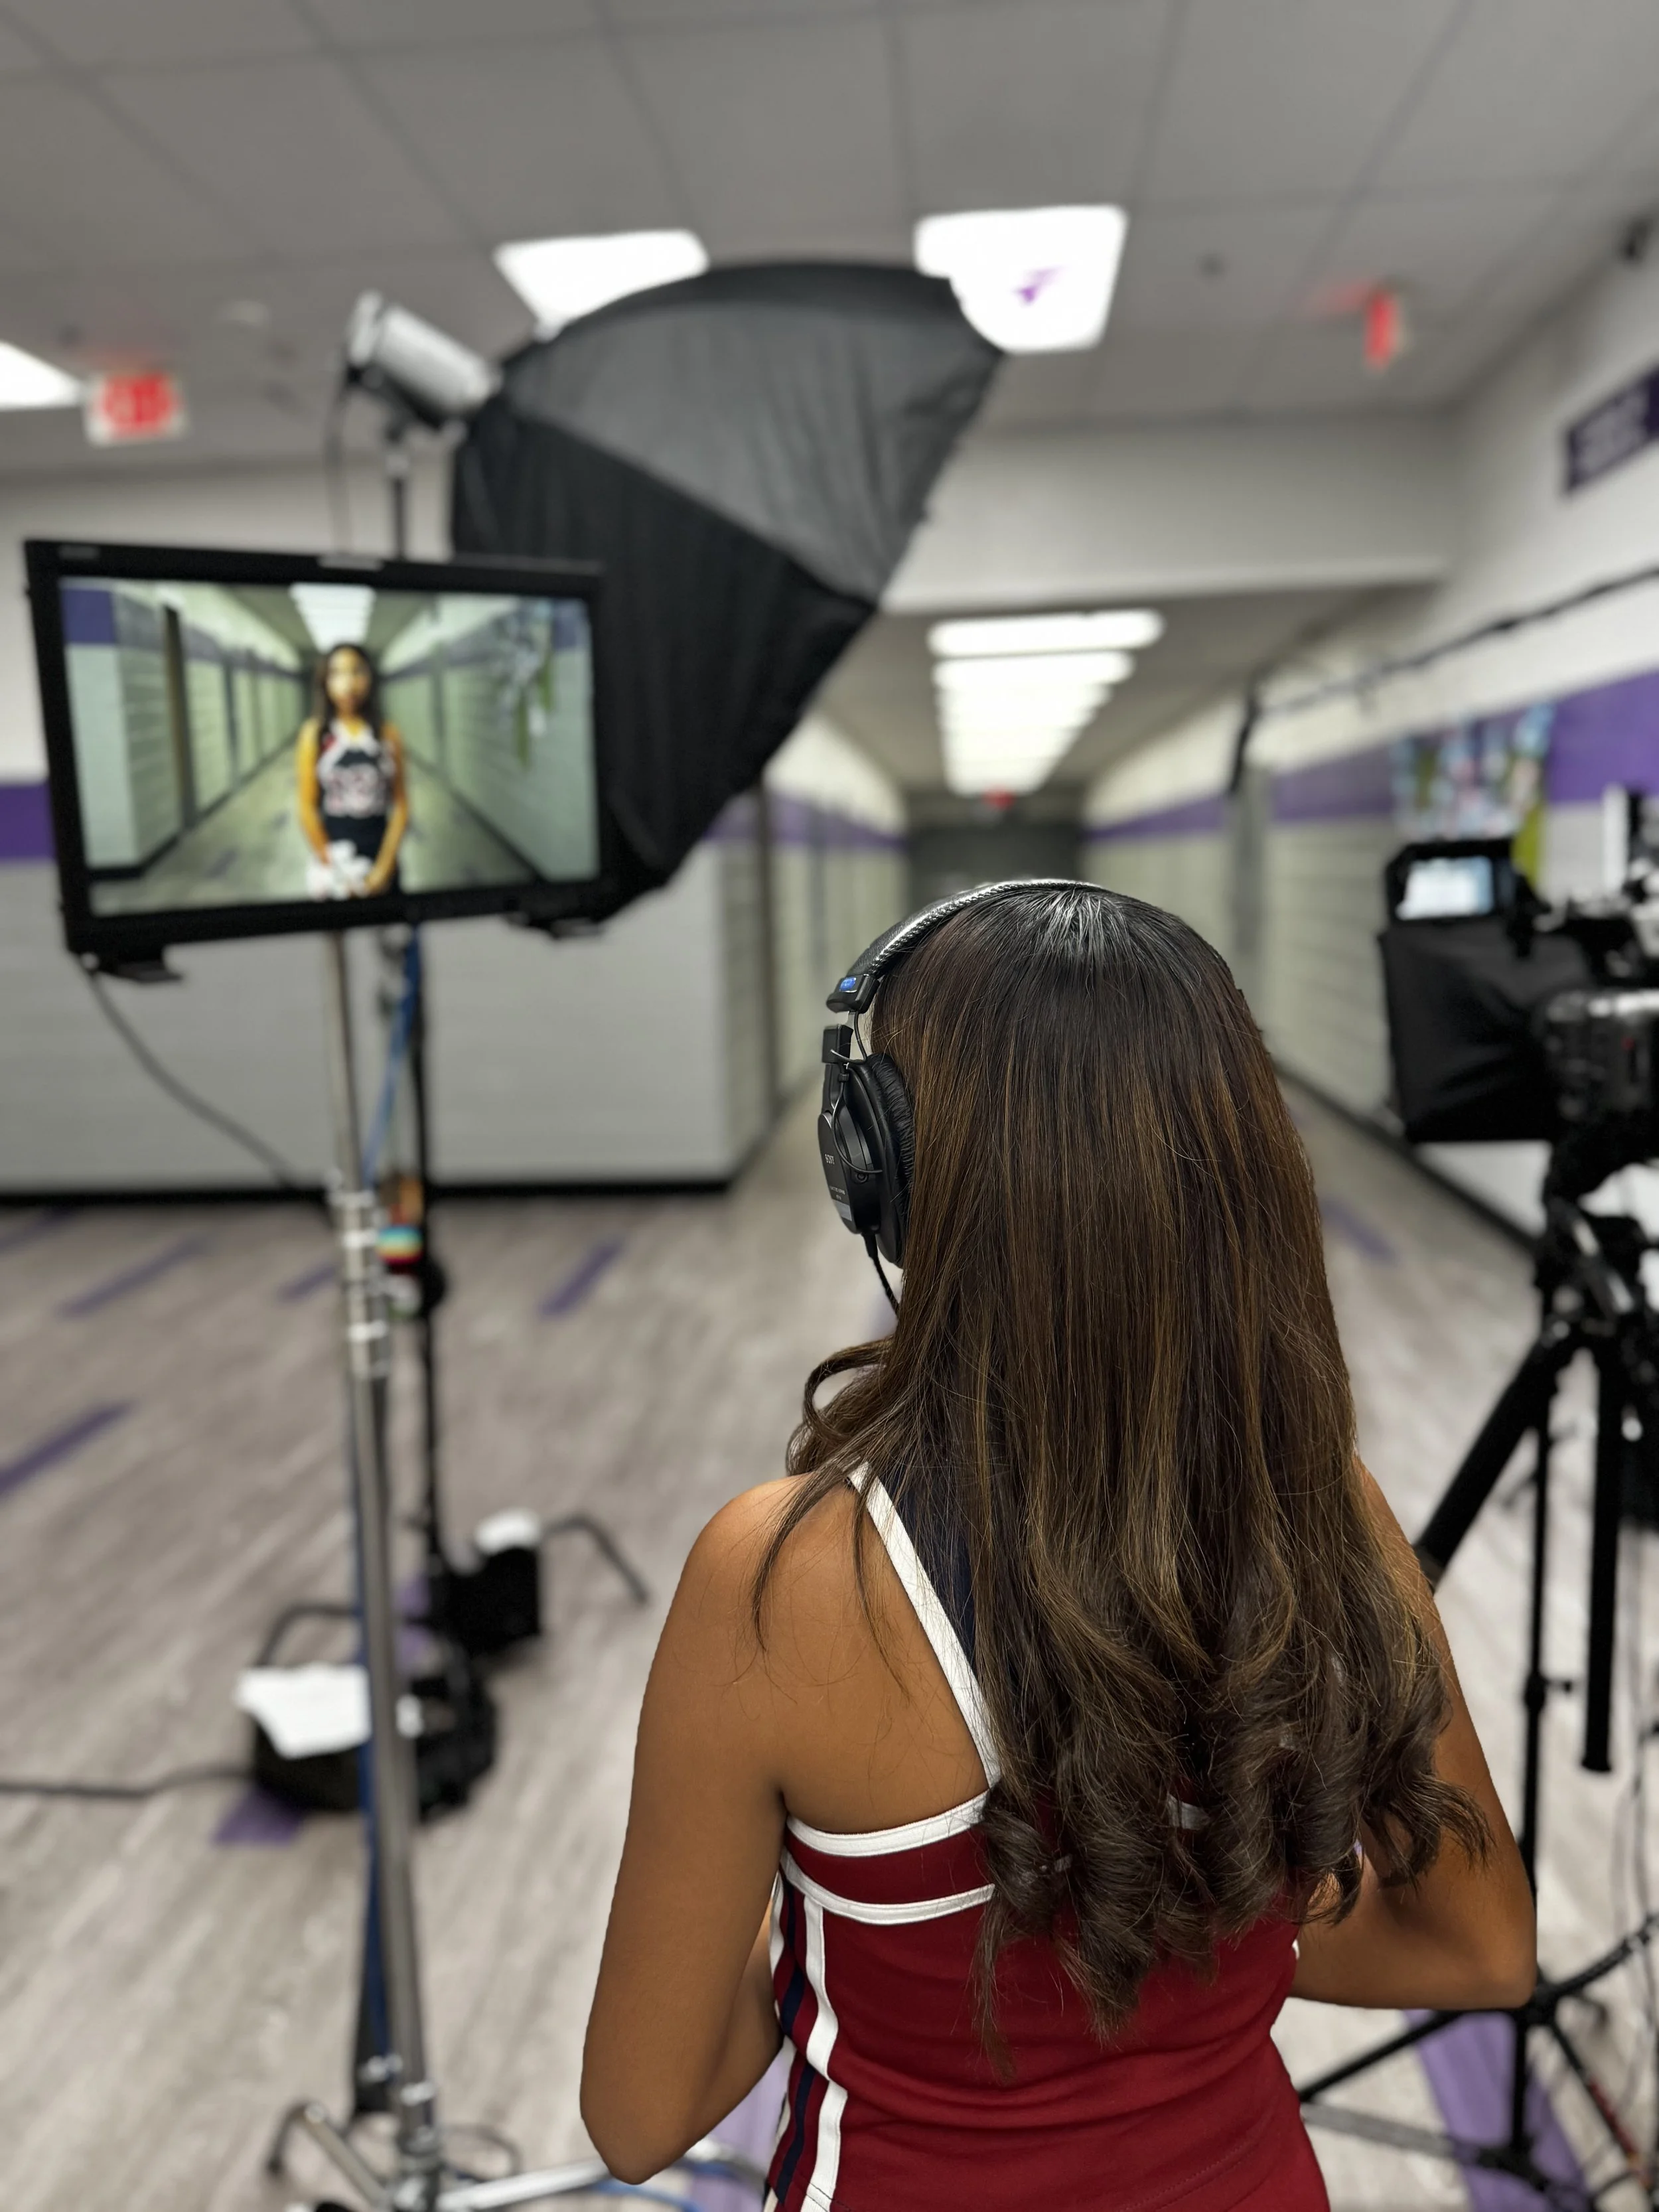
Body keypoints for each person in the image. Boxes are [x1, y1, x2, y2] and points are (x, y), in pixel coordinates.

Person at [582, 883, 1534, 2211]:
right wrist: (1199, 1910)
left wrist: (809, 1907)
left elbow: (641, 2111)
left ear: (883, 1168)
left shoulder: (783, 1578)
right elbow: (1479, 1951)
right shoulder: (1321, 1508)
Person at [295, 642, 408, 899]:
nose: (349, 683)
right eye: (337, 673)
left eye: (357, 671)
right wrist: (336, 869)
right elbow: (306, 808)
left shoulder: (388, 735)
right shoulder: (314, 736)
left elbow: (401, 806)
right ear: (325, 681)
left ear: (369, 677)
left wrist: (383, 870)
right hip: (334, 858)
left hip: (380, 853)